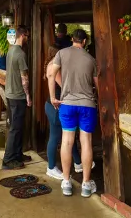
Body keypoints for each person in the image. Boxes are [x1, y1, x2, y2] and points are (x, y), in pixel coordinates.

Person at [48, 29, 98, 198]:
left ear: (72, 39)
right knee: (86, 142)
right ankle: (85, 184)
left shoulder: (61, 53)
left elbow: (51, 74)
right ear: (84, 41)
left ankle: (67, 181)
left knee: (67, 141)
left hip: (67, 104)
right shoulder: (91, 59)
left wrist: (53, 97)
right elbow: (97, 84)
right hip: (87, 105)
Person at [44, 45, 82, 180]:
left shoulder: (51, 64)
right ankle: (51, 167)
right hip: (56, 106)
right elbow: (64, 86)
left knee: (68, 135)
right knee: (56, 137)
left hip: (52, 105)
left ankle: (78, 163)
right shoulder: (55, 67)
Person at [1, 25, 32, 170]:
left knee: (18, 127)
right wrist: (28, 95)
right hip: (18, 95)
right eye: (27, 36)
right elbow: (24, 77)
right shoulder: (20, 54)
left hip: (10, 93)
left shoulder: (11, 50)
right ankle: (8, 160)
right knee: (15, 128)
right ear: (22, 35)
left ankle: (17, 154)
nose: (28, 39)